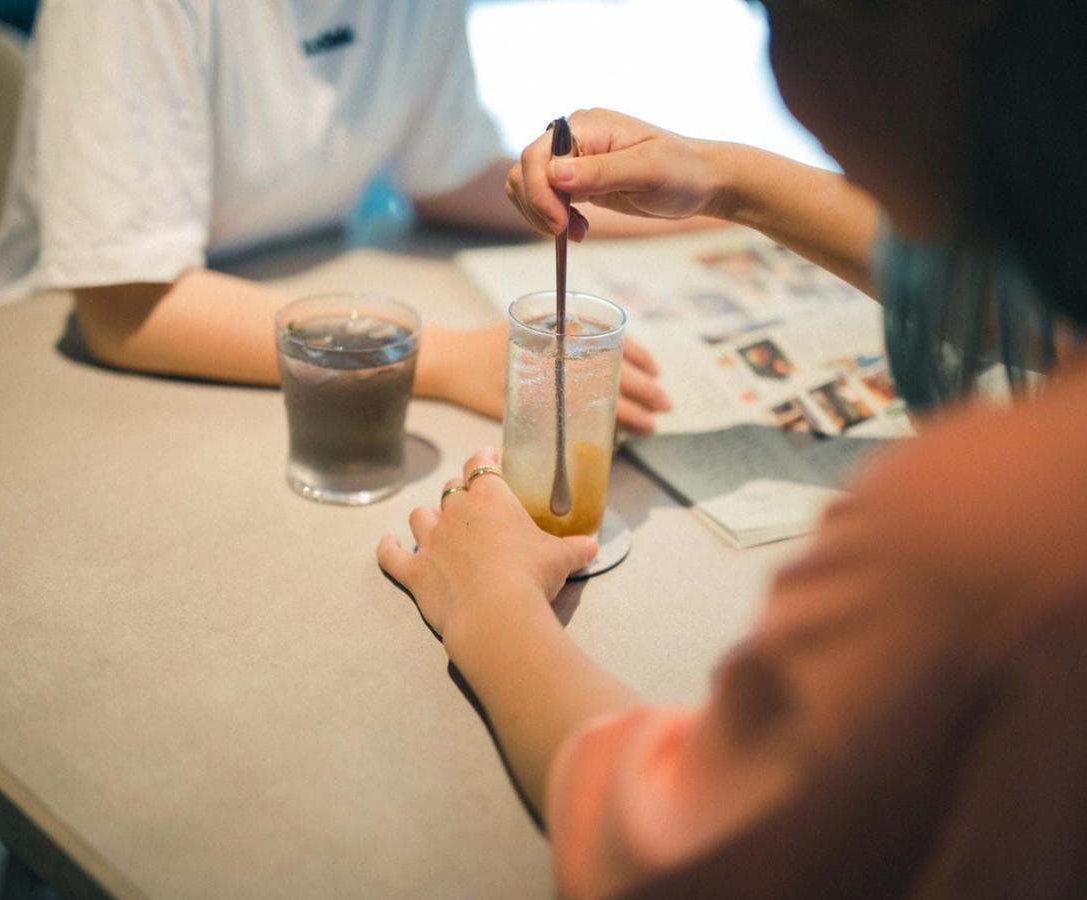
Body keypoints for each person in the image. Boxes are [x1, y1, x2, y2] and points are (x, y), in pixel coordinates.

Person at [378, 0, 1087, 896]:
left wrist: (489, 604)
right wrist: (724, 180)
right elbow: (1022, 302)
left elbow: (671, 845)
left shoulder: (982, 522)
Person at [0, 0, 684, 432]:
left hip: (285, 315)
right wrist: (449, 359)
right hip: (55, 376)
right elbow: (124, 306)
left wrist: (713, 205)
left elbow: (449, 172)